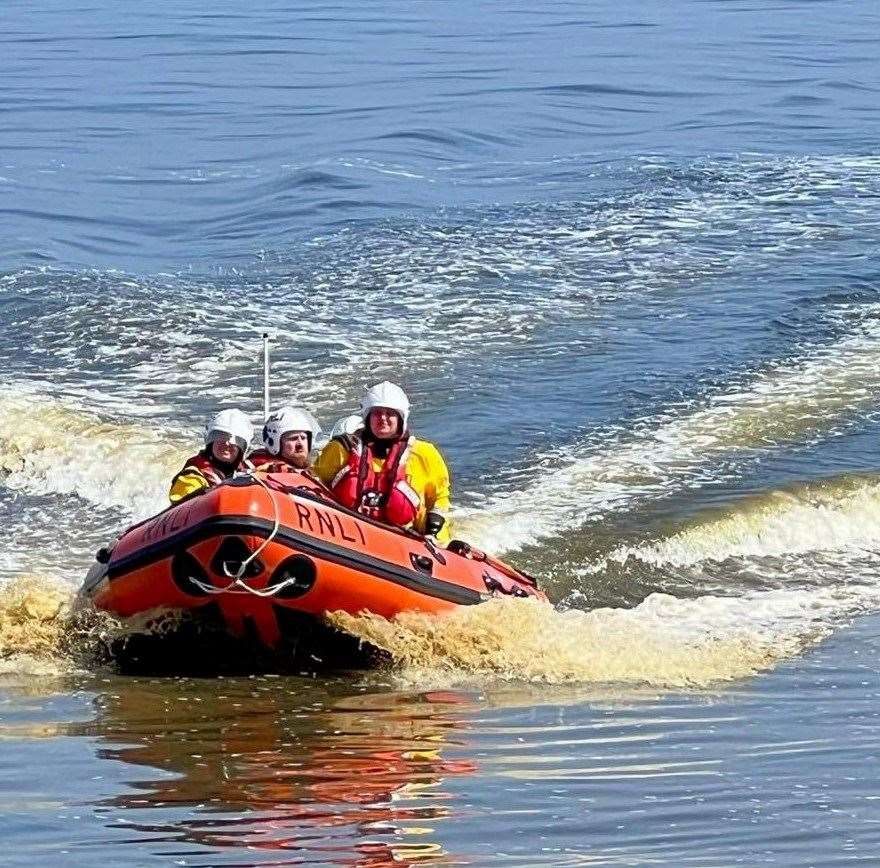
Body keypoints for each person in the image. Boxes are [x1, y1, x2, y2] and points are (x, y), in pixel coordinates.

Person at [313, 382, 451, 543]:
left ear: (401, 418)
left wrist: (434, 534)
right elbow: (313, 482)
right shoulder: (341, 449)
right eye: (377, 413)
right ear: (367, 417)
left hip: (406, 540)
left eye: (390, 414)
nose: (383, 419)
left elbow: (440, 500)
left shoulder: (424, 453)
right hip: (346, 533)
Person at [168, 409, 254, 503]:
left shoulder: (249, 472)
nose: (226, 443)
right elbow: (183, 504)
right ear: (210, 442)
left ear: (243, 448)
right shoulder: (192, 478)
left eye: (236, 440)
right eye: (219, 436)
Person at [249, 405, 322, 472]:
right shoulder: (267, 468)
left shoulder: (305, 468)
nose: (300, 444)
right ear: (274, 442)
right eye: (293, 438)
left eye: (303, 438)